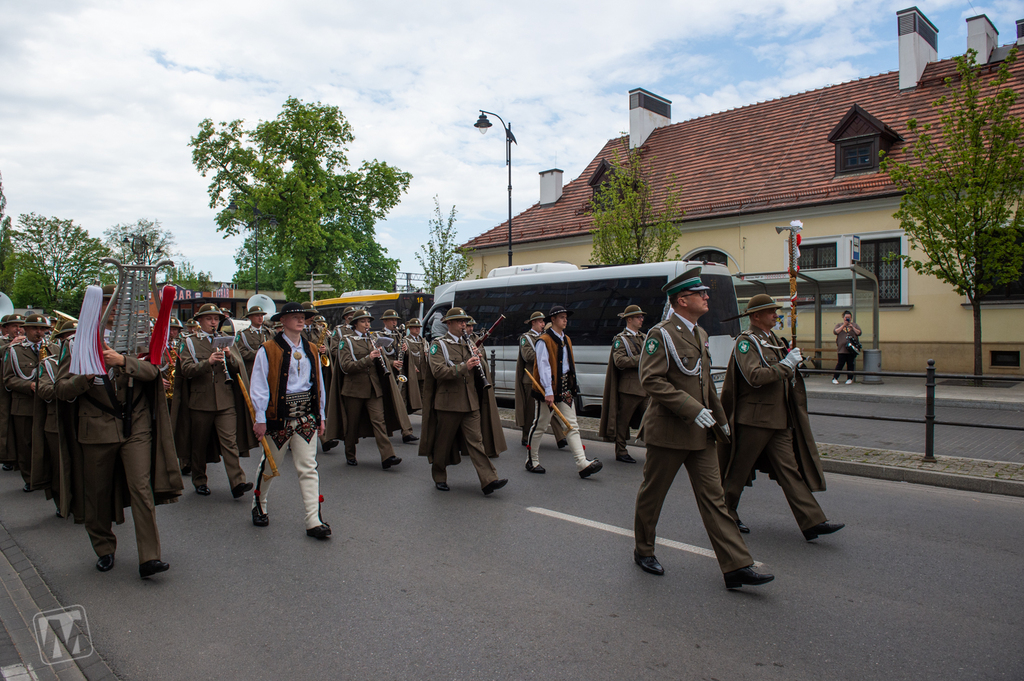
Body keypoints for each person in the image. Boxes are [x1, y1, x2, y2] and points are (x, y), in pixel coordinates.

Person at [633, 267, 773, 589]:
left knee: (715, 500)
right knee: (653, 496)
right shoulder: (661, 334)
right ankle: (643, 549)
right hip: (669, 432)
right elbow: (650, 380)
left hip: (700, 433)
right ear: (682, 300)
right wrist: (692, 409)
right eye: (701, 293)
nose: (707, 297)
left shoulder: (700, 334)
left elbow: (705, 382)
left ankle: (736, 565)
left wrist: (722, 422)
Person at [54, 290, 183, 578]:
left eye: (118, 305)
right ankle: (104, 547)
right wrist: (85, 376)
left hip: (135, 424)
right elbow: (60, 389)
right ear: (95, 308)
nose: (113, 310)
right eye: (107, 304)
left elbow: (153, 371)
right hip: (96, 429)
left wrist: (123, 362)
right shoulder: (77, 343)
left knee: (141, 489)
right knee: (97, 494)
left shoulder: (136, 338)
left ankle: (149, 557)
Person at [718, 294, 844, 541]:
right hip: (754, 419)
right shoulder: (747, 342)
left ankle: (812, 521)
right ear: (756, 316)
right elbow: (754, 376)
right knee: (738, 472)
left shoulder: (773, 339)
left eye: (776, 311)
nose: (776, 315)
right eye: (771, 312)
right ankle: (725, 513)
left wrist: (793, 362)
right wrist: (786, 365)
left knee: (790, 471)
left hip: (778, 418)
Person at [249, 302, 331, 539]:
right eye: (294, 316)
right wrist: (260, 417)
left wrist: (321, 415)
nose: (300, 320)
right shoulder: (267, 349)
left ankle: (313, 519)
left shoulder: (312, 349)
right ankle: (259, 503)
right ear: (282, 321)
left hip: (306, 416)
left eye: (303, 317)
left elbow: (319, 385)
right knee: (270, 466)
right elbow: (259, 387)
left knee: (308, 467)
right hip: (278, 417)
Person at [418, 307, 508, 494]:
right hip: (448, 403)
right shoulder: (439, 344)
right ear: (448, 324)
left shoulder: (469, 343)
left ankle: (489, 480)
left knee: (477, 442)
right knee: (443, 443)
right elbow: (437, 372)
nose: (463, 325)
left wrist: (479, 360)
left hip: (469, 401)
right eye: (459, 321)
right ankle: (439, 476)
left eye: (464, 321)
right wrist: (463, 367)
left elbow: (477, 370)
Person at [177, 303, 254, 498]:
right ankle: (199, 479)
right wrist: (208, 362)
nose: (214, 322)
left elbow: (238, 368)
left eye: (216, 319)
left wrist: (229, 357)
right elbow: (186, 370)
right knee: (199, 444)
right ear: (200, 321)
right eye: (209, 319)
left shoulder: (226, 340)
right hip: (200, 402)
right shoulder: (191, 342)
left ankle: (237, 482)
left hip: (225, 400)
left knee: (230, 442)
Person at [525, 305, 602, 479]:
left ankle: (582, 463)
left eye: (566, 317)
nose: (565, 320)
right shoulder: (543, 340)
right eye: (561, 317)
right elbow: (543, 366)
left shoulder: (566, 339)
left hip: (565, 388)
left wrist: (571, 385)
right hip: (549, 390)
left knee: (572, 425)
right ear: (552, 320)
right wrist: (548, 391)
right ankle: (532, 460)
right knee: (540, 425)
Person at [336, 309, 408, 468]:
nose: (367, 325)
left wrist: (388, 356)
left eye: (368, 321)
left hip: (373, 388)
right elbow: (346, 367)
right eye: (363, 322)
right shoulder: (346, 341)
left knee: (379, 421)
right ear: (355, 324)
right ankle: (350, 453)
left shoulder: (373, 338)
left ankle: (387, 456)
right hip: (354, 389)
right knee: (352, 424)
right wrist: (369, 358)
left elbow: (381, 360)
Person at [32, 319, 76, 516]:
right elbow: (45, 390)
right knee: (60, 468)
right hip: (56, 421)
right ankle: (62, 503)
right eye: (69, 338)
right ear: (60, 341)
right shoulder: (48, 364)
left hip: (80, 421)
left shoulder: (87, 360)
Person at [3, 313, 50, 491]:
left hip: (47, 403)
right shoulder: (14, 351)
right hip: (24, 405)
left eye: (42, 329)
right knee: (26, 444)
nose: (39, 332)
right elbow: (7, 379)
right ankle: (30, 478)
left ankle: (46, 477)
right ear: (26, 330)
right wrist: (27, 385)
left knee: (46, 442)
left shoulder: (53, 348)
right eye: (35, 328)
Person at [599, 305, 648, 464]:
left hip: (645, 388)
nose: (641, 319)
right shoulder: (621, 340)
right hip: (629, 389)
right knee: (623, 421)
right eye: (638, 317)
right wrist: (640, 360)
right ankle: (621, 451)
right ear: (629, 319)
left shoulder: (644, 337)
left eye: (641, 317)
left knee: (651, 419)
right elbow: (619, 361)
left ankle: (654, 450)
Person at [514, 311, 565, 449]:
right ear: (533, 323)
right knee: (531, 410)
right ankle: (526, 436)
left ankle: (560, 437)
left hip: (544, 378)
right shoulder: (526, 338)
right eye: (540, 322)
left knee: (551, 407)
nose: (543, 324)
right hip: (531, 379)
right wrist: (545, 353)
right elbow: (528, 356)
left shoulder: (546, 336)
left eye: (544, 322)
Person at [378, 309, 417, 443]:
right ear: (385, 321)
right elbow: (378, 357)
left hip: (400, 374)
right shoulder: (379, 336)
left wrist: (406, 352)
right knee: (387, 403)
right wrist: (391, 362)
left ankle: (406, 432)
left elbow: (406, 354)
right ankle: (384, 430)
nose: (395, 323)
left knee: (403, 401)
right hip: (388, 374)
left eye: (396, 320)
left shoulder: (399, 335)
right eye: (392, 320)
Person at [0, 314, 26, 473]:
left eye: (20, 326)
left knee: (22, 427)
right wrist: (10, 345)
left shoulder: (27, 342)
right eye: (14, 326)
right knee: (5, 422)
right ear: (6, 328)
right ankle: (8, 456)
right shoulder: (3, 342)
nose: (18, 329)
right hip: (3, 389)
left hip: (22, 388)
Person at [235, 305, 275, 379]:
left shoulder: (269, 332)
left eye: (261, 316)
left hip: (268, 368)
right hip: (252, 370)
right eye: (257, 316)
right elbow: (240, 353)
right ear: (250, 317)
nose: (260, 318)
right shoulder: (243, 334)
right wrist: (259, 353)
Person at [832, 311, 862, 385]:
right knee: (840, 364)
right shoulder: (839, 325)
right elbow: (836, 331)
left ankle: (849, 378)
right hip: (842, 349)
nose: (847, 319)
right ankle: (835, 377)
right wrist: (843, 326)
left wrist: (852, 327)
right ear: (843, 318)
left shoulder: (854, 325)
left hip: (851, 349)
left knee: (850, 364)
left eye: (849, 318)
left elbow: (859, 333)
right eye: (846, 317)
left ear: (851, 318)